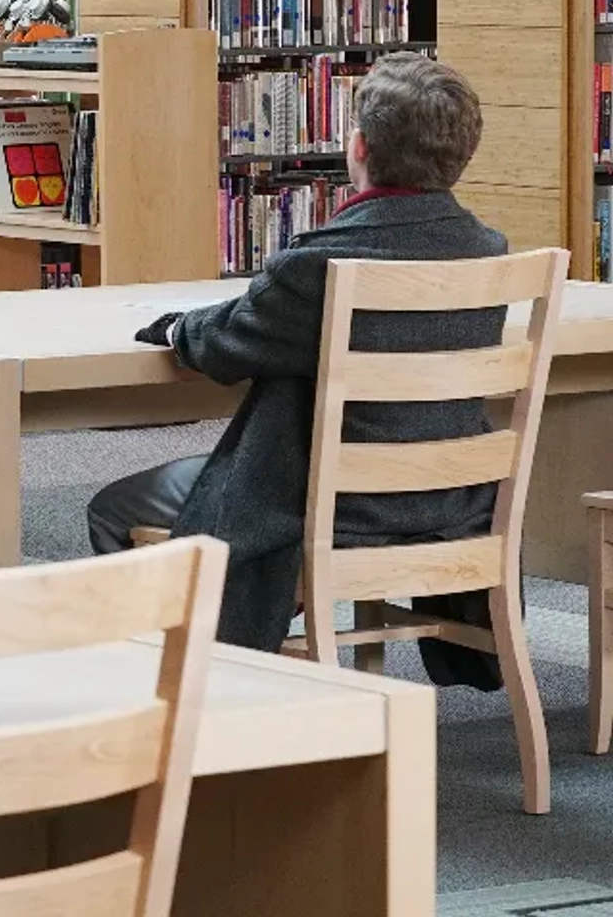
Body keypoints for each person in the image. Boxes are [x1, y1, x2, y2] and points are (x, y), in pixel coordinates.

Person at [87, 53, 506, 685]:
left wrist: (174, 327)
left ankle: (185, 692)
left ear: (358, 147)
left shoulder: (317, 266)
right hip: (451, 501)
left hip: (334, 506)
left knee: (115, 509)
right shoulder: (488, 254)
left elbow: (225, 346)